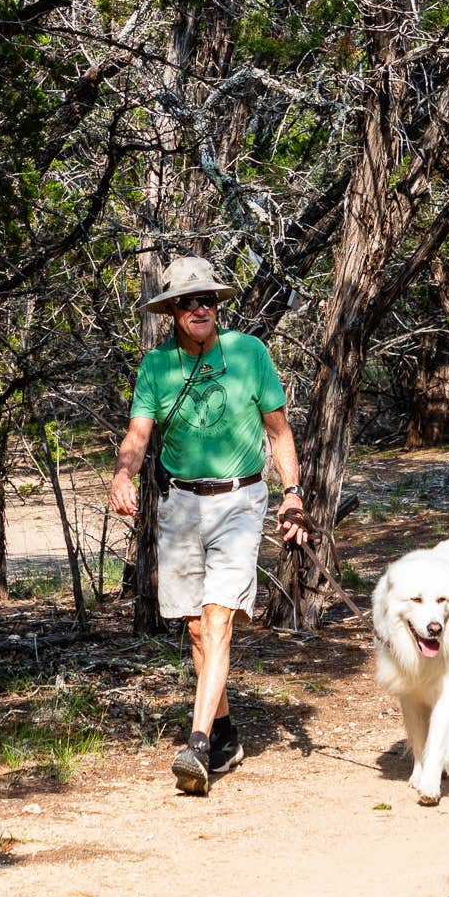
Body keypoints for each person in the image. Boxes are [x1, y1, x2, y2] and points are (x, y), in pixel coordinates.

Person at [111, 256, 309, 795]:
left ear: (218, 306)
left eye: (208, 300)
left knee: (219, 619)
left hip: (241, 500)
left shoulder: (249, 353)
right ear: (172, 311)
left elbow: (279, 432)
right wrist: (122, 474)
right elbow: (138, 433)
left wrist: (292, 495)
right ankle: (225, 732)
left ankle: (197, 745)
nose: (200, 308)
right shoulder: (156, 367)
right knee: (197, 628)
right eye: (187, 302)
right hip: (180, 504)